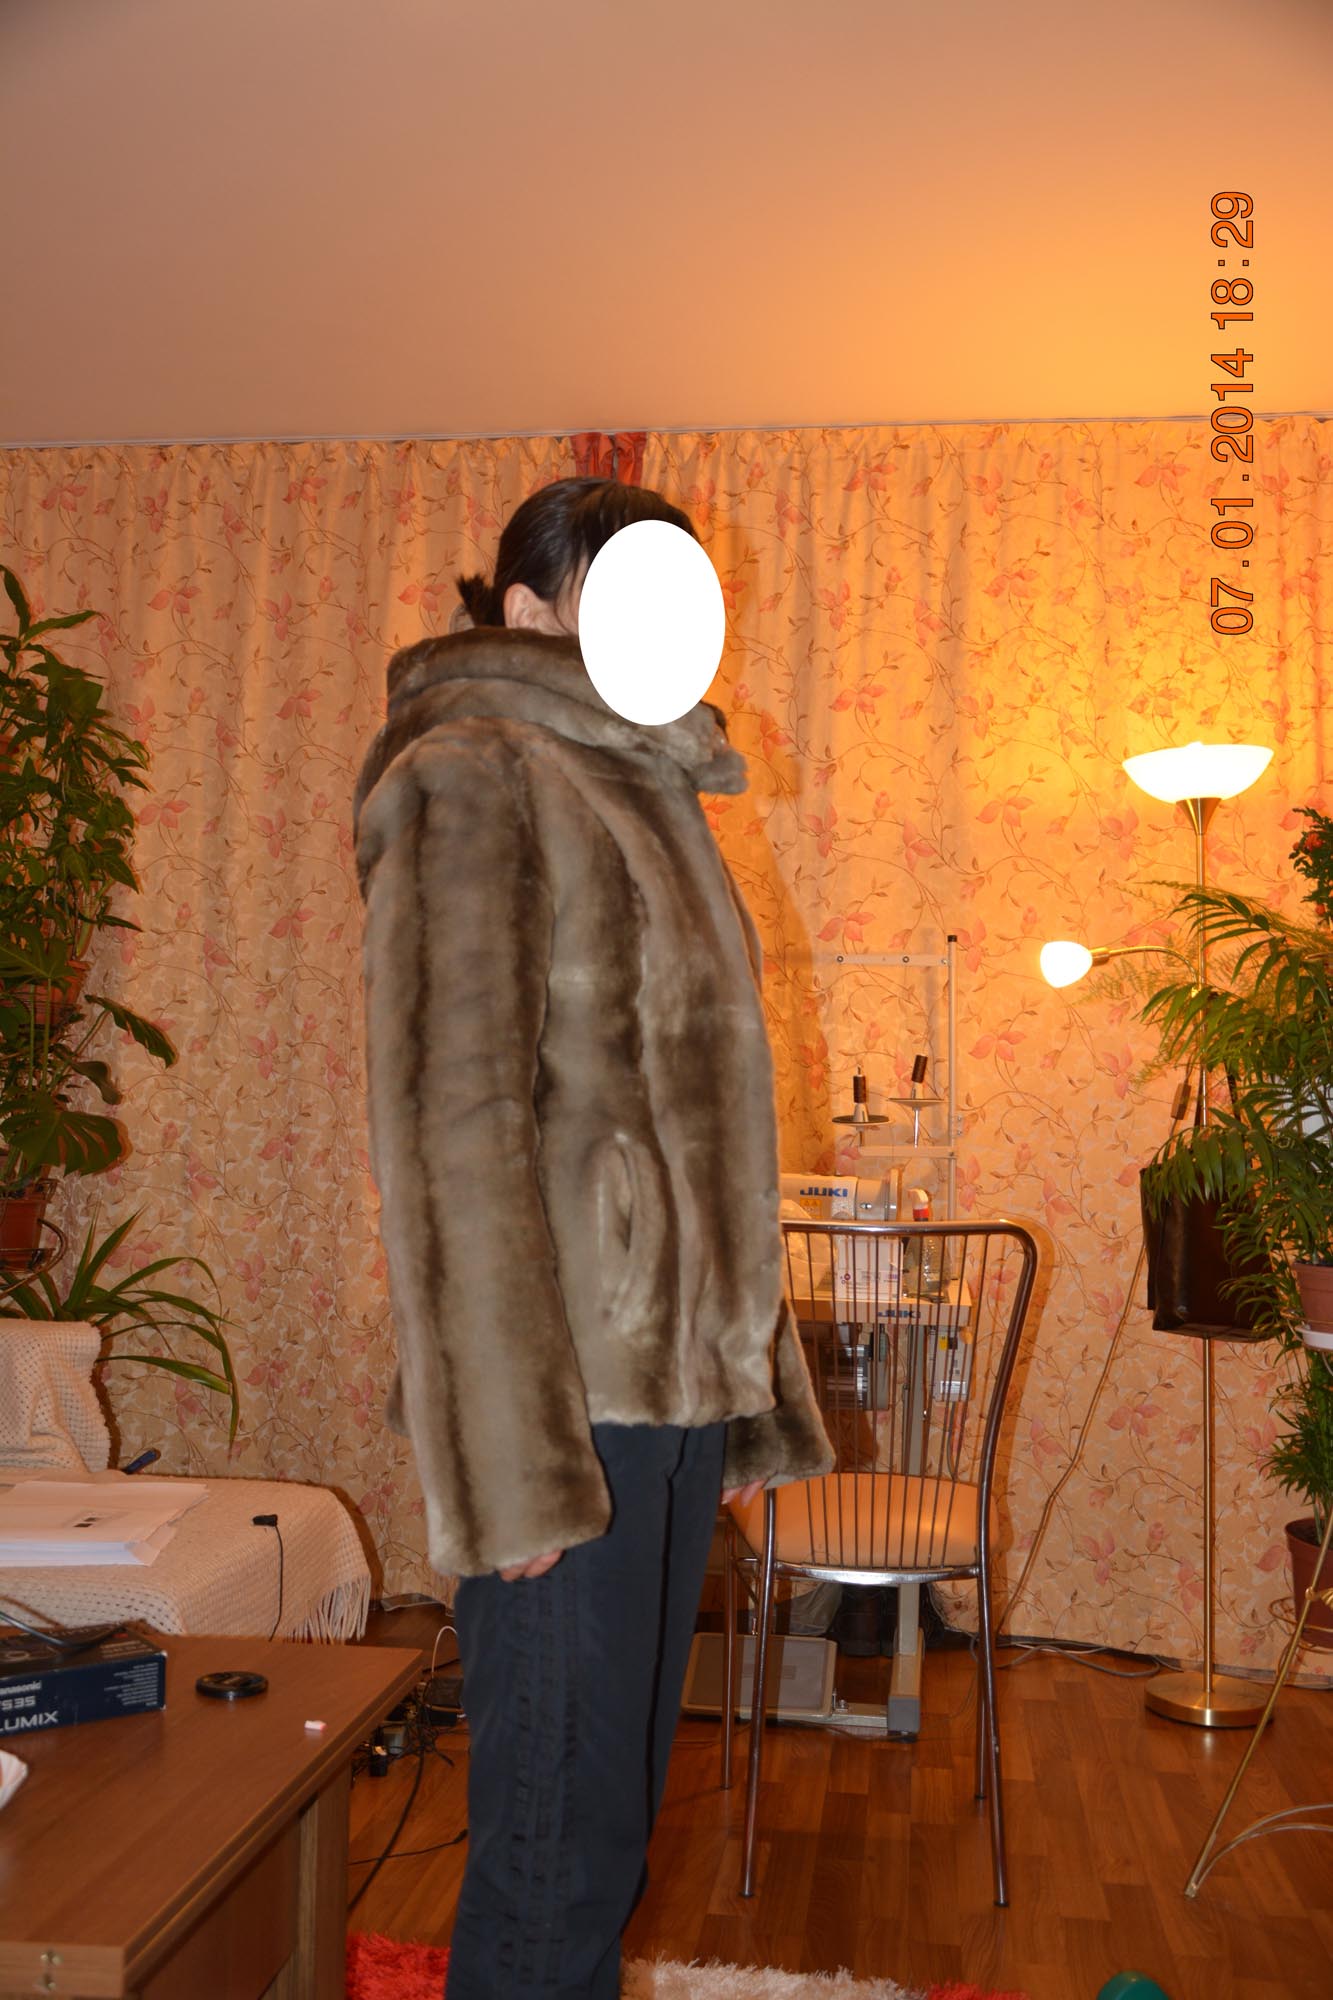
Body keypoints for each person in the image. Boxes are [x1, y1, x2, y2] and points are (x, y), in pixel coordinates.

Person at [353, 475, 833, 2000]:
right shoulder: (471, 767)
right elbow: (451, 1131)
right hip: (559, 1411)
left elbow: (696, 1124)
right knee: (554, 1848)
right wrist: (511, 1466)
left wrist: (740, 1385)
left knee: (606, 1829)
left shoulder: (646, 792)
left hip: (666, 1406)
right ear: (526, 607)